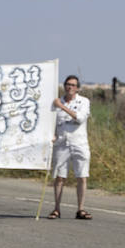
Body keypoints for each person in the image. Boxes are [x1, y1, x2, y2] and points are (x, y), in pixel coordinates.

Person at [48, 75, 92, 219]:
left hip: (79, 142)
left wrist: (62, 107)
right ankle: (56, 208)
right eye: (68, 84)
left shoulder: (83, 101)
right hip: (62, 143)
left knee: (81, 176)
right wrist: (52, 134)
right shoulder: (56, 102)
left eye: (73, 85)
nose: (70, 87)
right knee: (60, 177)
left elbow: (79, 118)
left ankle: (80, 209)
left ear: (77, 87)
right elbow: (51, 121)